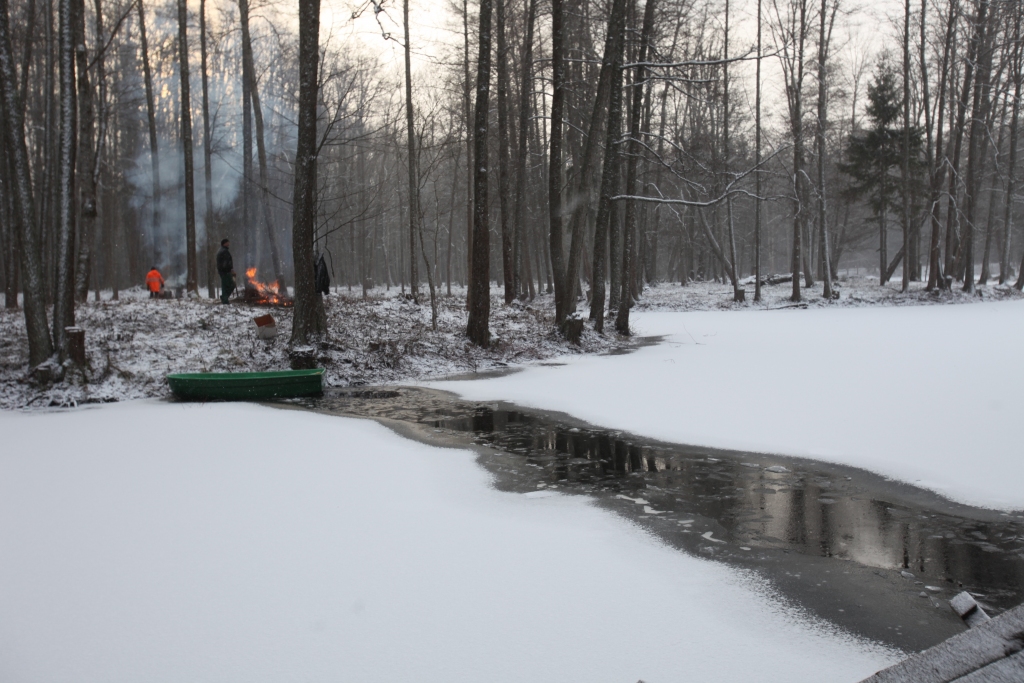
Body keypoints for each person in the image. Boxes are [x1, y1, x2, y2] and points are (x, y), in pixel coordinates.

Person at [216, 239, 235, 304]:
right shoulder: (224, 251)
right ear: (224, 243)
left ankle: (224, 299)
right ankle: (224, 298)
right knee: (231, 285)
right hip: (225, 272)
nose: (228, 243)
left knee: (225, 286)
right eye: (227, 242)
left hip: (222, 271)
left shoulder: (222, 250)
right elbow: (226, 263)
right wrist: (230, 269)